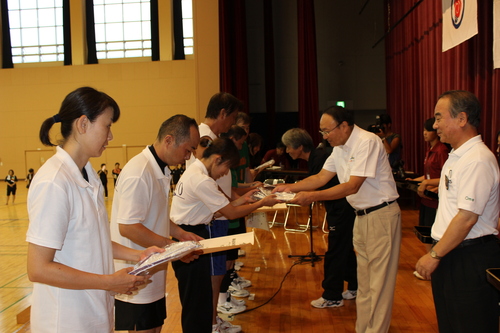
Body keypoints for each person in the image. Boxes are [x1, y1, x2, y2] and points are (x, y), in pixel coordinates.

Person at [26, 86, 162, 332]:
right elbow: (38, 269)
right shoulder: (54, 181)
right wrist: (109, 282)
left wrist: (138, 255)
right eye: (108, 125)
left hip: (93, 312)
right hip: (66, 320)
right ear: (83, 124)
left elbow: (93, 240)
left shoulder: (89, 175)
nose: (110, 136)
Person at [274, 105, 401, 333]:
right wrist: (290, 188)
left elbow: (352, 186)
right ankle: (363, 329)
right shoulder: (339, 147)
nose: (324, 136)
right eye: (322, 132)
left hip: (381, 214)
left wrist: (311, 196)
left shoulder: (367, 142)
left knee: (379, 284)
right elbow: (322, 176)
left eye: (326, 131)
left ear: (343, 126)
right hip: (361, 216)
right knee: (364, 284)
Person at [171, 137, 280, 333]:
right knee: (196, 301)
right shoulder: (201, 179)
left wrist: (245, 199)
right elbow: (230, 214)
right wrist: (261, 203)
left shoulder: (197, 170)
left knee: (199, 298)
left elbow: (220, 209)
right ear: (217, 159)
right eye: (227, 167)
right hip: (189, 235)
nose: (225, 173)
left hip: (192, 232)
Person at [415, 91, 500, 333]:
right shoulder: (456, 156)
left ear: (462, 119)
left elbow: (467, 218)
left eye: (439, 117)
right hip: (453, 253)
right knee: (450, 323)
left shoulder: (477, 159)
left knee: (470, 325)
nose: (435, 125)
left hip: (469, 256)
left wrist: (433, 255)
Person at [110, 114, 203, 333]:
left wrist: (180, 234)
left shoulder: (160, 169)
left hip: (153, 270)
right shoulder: (139, 172)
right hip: (135, 270)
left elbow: (157, 215)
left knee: (154, 328)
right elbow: (128, 227)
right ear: (169, 140)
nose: (189, 157)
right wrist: (174, 248)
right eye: (188, 149)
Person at [183, 92, 245, 333]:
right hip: (211, 217)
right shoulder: (203, 139)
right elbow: (203, 182)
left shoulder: (212, 137)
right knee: (212, 275)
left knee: (218, 272)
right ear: (222, 114)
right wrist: (231, 204)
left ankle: (212, 320)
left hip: (218, 213)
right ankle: (210, 323)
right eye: (232, 118)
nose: (232, 124)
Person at [281, 128, 357, 308]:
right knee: (344, 249)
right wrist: (290, 188)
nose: (287, 151)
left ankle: (332, 295)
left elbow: (319, 184)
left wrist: (294, 191)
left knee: (335, 251)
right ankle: (356, 285)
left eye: (288, 147)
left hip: (342, 208)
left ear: (299, 146)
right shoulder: (318, 156)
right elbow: (315, 181)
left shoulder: (320, 156)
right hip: (338, 208)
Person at [406, 117, 449, 279]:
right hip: (425, 198)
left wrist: (429, 184)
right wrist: (415, 181)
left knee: (434, 233)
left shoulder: (441, 150)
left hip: (435, 200)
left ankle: (432, 268)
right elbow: (428, 175)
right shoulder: (429, 150)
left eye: (428, 130)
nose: (424, 133)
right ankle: (428, 266)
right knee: (425, 233)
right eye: (424, 130)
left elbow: (445, 176)